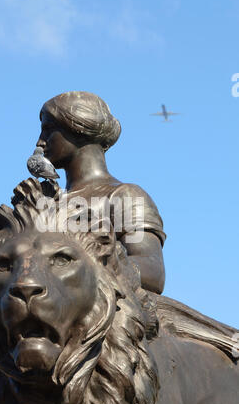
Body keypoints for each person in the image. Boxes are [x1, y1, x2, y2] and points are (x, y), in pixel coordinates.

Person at [35, 91, 166, 294]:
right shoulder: (48, 202)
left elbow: (152, 271)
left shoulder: (124, 196)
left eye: (48, 131)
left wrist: (81, 266)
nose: (39, 142)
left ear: (77, 128)